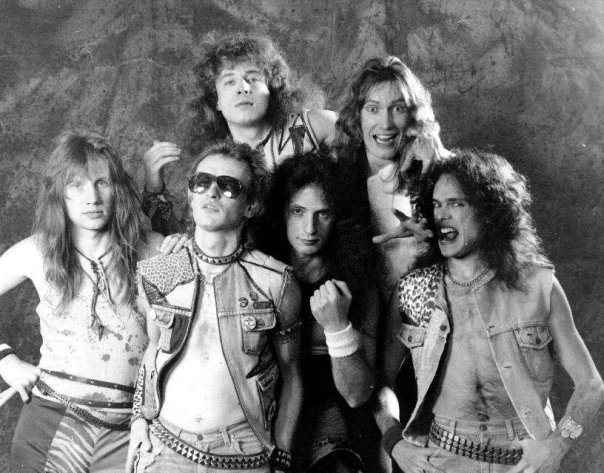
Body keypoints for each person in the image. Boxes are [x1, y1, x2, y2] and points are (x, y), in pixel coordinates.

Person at [373, 150, 604, 473]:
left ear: (489, 211)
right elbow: (378, 384)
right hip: (443, 461)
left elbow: (591, 385)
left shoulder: (538, 285)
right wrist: (394, 442)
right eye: (436, 204)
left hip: (524, 462)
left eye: (456, 204)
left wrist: (559, 445)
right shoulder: (414, 290)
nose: (442, 215)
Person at [126, 141, 303, 473]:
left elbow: (292, 374)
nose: (212, 192)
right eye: (202, 182)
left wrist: (281, 457)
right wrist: (138, 421)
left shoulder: (276, 283)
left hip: (243, 452)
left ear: (251, 206)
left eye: (229, 186)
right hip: (164, 447)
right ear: (190, 194)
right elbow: (152, 352)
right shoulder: (159, 271)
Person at [0, 131, 163, 473]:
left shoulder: (155, 249)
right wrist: (5, 360)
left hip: (130, 430)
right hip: (50, 423)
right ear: (59, 193)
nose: (92, 197)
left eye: (102, 182)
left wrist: (156, 190)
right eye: (76, 185)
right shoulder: (37, 251)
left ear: (118, 188)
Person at [142, 32, 337, 235]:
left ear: (272, 88)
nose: (243, 88)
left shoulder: (315, 127)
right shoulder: (216, 164)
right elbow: (185, 239)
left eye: (253, 78)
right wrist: (154, 189)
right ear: (215, 100)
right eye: (229, 82)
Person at [265, 151, 379, 472]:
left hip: (334, 411)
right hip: (265, 408)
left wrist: (337, 328)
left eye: (323, 214)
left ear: (338, 217)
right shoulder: (258, 267)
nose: (310, 228)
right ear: (281, 211)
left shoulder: (358, 281)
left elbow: (359, 394)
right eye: (298, 211)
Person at [333, 55, 448, 304]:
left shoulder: (433, 168)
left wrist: (433, 241)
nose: (385, 124)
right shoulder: (337, 173)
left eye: (397, 109)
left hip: (419, 309)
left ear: (413, 115)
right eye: (373, 109)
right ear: (357, 115)